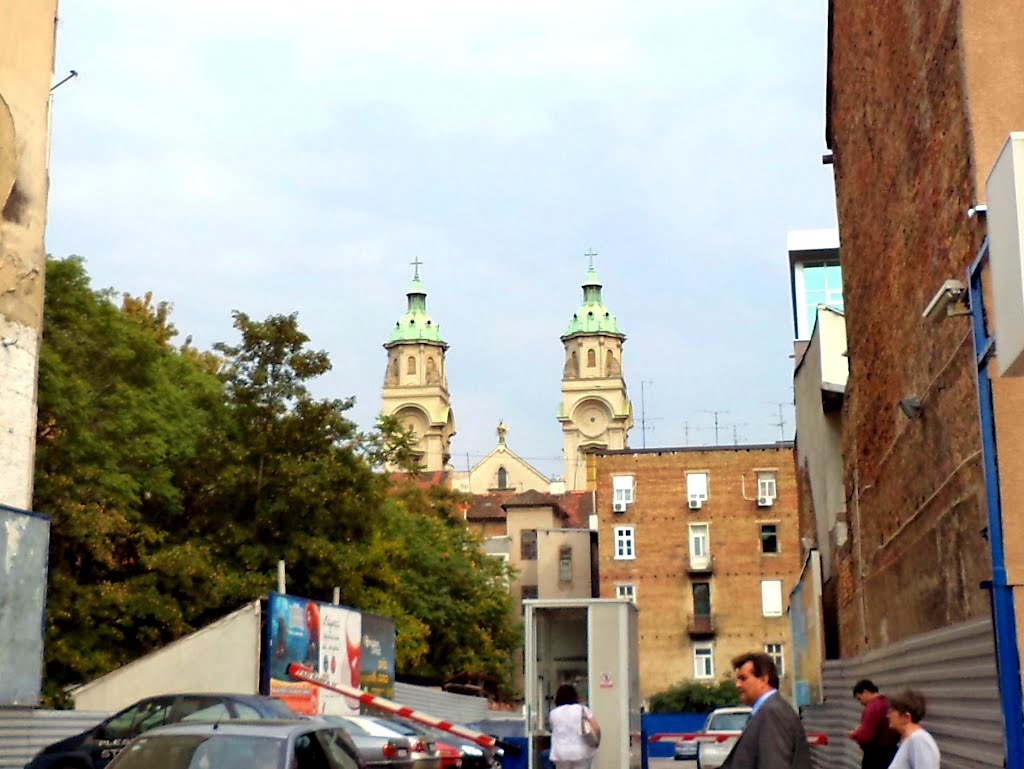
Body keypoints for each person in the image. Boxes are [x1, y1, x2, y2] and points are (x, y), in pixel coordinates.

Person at [719, 652, 811, 769]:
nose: (737, 685)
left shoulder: (773, 713)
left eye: (743, 678)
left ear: (763, 680)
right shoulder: (767, 711)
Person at [848, 680, 900, 769]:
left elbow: (866, 737)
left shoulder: (872, 708)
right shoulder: (889, 703)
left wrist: (855, 734)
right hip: (892, 753)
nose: (861, 703)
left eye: (859, 698)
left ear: (865, 692)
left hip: (876, 756)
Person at [548, 683, 600, 769]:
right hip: (582, 752)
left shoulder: (553, 713)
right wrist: (596, 742)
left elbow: (553, 729)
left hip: (560, 753)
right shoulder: (582, 709)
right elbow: (596, 728)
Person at [886, 690, 940, 769]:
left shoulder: (919, 740)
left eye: (890, 712)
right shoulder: (908, 740)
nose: (887, 716)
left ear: (906, 716)